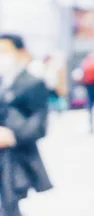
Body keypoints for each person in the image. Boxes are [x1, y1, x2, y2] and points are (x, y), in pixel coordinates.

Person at [0, 34, 52, 216]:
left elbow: (39, 125)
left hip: (15, 159)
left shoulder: (32, 83)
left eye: (5, 51)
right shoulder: (2, 82)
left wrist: (11, 135)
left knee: (9, 206)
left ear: (20, 52)